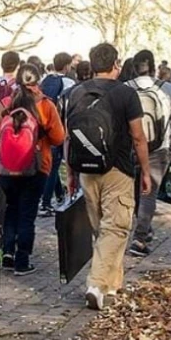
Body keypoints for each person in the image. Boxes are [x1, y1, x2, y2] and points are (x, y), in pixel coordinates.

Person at [64, 43, 152, 311]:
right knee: (116, 226)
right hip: (118, 168)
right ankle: (96, 283)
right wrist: (146, 172)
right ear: (116, 64)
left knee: (101, 228)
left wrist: (70, 172)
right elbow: (138, 136)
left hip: (85, 169)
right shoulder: (126, 94)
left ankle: (112, 283)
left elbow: (69, 137)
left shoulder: (74, 93)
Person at [0, 64, 65, 275]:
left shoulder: (6, 103)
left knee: (10, 210)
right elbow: (59, 138)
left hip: (6, 168)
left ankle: (7, 253)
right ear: (38, 80)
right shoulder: (46, 106)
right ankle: (22, 260)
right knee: (27, 214)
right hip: (36, 167)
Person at [126, 50, 171, 258]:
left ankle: (144, 229)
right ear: (154, 66)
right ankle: (140, 236)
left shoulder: (125, 90)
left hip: (131, 148)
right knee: (149, 192)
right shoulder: (169, 90)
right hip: (158, 148)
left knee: (138, 190)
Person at [38, 53, 76, 216]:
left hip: (43, 127)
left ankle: (59, 195)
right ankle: (46, 202)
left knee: (52, 163)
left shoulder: (45, 81)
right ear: (67, 66)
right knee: (54, 166)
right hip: (59, 127)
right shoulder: (68, 83)